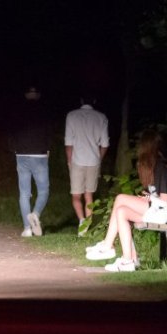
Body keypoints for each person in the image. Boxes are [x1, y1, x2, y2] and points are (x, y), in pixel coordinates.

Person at [84, 128, 167, 271]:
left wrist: (149, 199)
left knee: (120, 198)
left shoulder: (162, 166)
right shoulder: (160, 164)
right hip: (161, 210)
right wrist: (148, 198)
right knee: (121, 211)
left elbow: (164, 199)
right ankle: (128, 259)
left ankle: (109, 246)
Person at [8, 85, 54, 237]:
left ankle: (27, 229)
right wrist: (47, 149)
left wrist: (15, 150)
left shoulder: (16, 111)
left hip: (21, 155)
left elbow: (12, 132)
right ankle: (35, 213)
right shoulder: (45, 111)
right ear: (38, 96)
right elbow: (49, 132)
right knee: (44, 191)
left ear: (26, 95)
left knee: (24, 193)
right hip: (39, 155)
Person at [64, 95, 109, 235]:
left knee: (76, 195)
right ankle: (86, 227)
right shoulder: (101, 117)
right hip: (93, 161)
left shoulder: (72, 116)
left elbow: (69, 143)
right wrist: (99, 158)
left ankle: (82, 221)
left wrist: (69, 161)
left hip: (77, 160)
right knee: (89, 195)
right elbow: (105, 144)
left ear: (81, 100)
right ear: (94, 101)